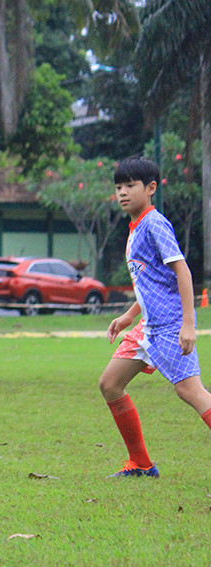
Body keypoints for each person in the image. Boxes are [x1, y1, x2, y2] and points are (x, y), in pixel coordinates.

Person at [99, 156, 211, 477]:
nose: (122, 192)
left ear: (150, 189)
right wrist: (128, 316)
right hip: (147, 328)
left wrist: (188, 325)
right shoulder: (135, 226)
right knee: (110, 384)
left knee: (190, 391)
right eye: (118, 186)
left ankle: (141, 464)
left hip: (170, 327)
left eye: (130, 185)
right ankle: (141, 464)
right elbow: (153, 283)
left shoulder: (154, 223)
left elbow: (182, 272)